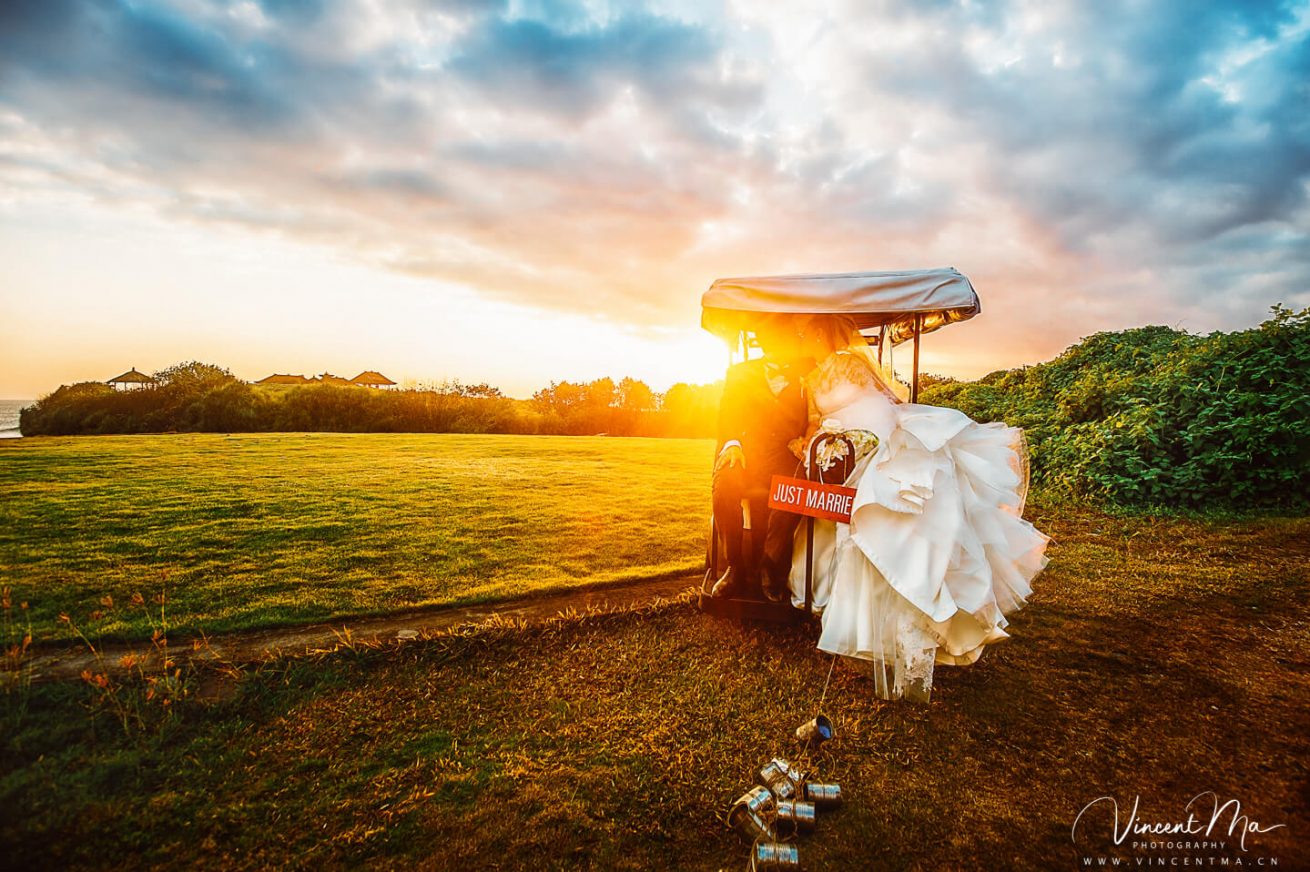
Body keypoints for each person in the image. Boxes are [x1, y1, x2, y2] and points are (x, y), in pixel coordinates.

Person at [787, 314, 1051, 701]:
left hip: (879, 444)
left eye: (808, 334)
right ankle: (866, 627)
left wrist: (874, 434)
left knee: (899, 515)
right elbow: (813, 423)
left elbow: (890, 400)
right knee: (853, 529)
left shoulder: (857, 364)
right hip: (841, 453)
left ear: (823, 334)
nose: (805, 341)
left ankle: (916, 625)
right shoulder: (809, 379)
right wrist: (816, 444)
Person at [711, 314, 812, 602]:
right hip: (747, 454)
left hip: (785, 455)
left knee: (796, 485)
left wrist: (804, 438)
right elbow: (727, 415)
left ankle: (770, 566)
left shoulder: (807, 373)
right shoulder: (739, 373)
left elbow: (816, 416)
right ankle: (735, 567)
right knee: (726, 482)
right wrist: (732, 443)